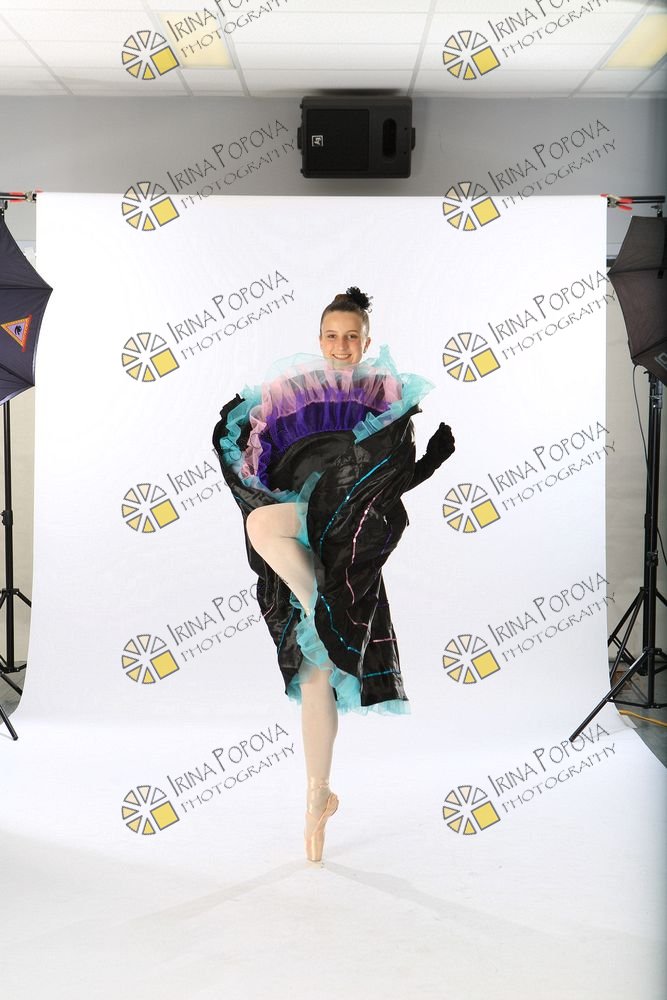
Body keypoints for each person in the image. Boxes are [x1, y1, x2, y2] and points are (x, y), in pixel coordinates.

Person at [212, 287, 455, 862]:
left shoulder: (383, 396)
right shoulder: (294, 393)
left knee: (317, 675)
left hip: (345, 541)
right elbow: (258, 470)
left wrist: (426, 465)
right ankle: (325, 609)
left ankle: (317, 797)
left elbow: (386, 481)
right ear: (319, 340)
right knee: (263, 528)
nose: (341, 346)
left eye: (351, 337)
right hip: (302, 533)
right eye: (331, 336)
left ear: (366, 341)